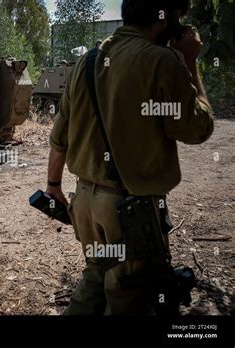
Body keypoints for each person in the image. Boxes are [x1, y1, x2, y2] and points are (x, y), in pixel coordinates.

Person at [46, 0, 213, 315]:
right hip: (130, 212)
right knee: (130, 299)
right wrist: (189, 62)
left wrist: (53, 185)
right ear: (166, 20)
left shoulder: (87, 61)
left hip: (84, 203)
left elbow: (59, 137)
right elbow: (197, 129)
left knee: (95, 280)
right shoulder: (162, 61)